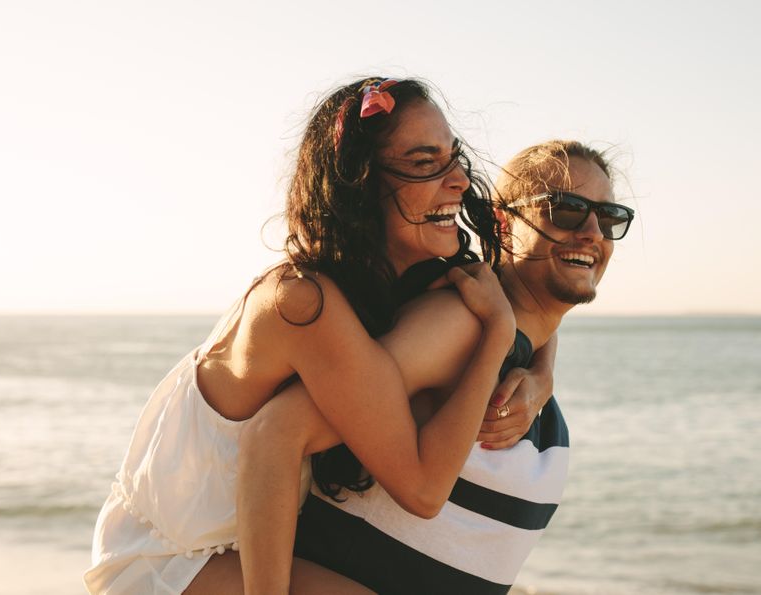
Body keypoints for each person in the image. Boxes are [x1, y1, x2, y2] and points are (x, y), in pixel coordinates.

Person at [83, 77, 555, 594]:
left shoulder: (387, 290)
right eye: (425, 163)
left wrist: (542, 373)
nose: (460, 180)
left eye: (453, 156)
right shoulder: (303, 302)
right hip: (163, 559)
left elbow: (542, 302)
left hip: (229, 548)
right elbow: (422, 489)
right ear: (360, 185)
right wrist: (496, 337)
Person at [235, 140, 635, 594]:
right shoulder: (459, 325)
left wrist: (543, 369)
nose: (591, 232)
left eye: (609, 218)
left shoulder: (517, 347)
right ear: (504, 225)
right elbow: (278, 430)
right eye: (565, 210)